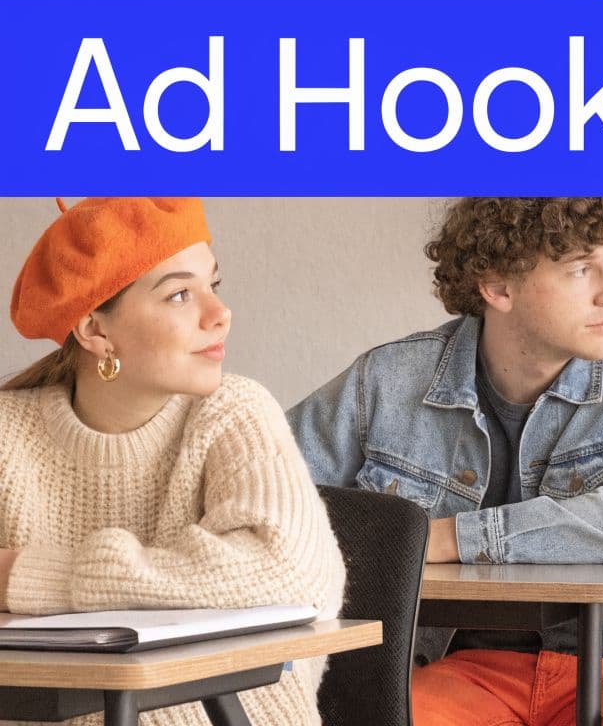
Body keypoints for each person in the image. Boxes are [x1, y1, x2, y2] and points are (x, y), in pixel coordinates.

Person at [287, 197, 603, 726]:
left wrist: (453, 538)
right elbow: (272, 494)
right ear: (498, 287)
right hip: (461, 668)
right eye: (582, 269)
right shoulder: (388, 379)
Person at [0, 197, 346, 726]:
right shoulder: (9, 432)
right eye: (180, 294)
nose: (219, 314)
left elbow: (290, 577)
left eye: (214, 285)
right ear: (95, 330)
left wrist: (35, 577)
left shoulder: (235, 413)